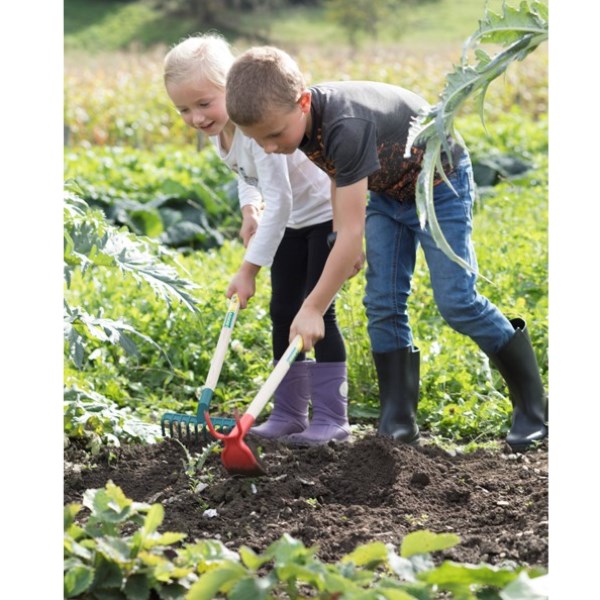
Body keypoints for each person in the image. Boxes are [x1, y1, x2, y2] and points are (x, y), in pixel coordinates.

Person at [224, 45, 548, 452]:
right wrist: (344, 231)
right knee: (383, 303)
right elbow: (340, 180)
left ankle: (534, 408)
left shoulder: (344, 123)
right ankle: (398, 421)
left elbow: (349, 233)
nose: (269, 148)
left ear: (303, 102)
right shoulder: (298, 125)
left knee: (457, 301)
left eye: (273, 136)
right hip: (388, 195)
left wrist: (312, 306)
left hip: (438, 185)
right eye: (259, 140)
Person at [163, 34, 352, 445]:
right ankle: (289, 412)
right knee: (283, 312)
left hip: (321, 217)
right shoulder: (222, 133)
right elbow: (247, 179)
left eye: (203, 103)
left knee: (317, 314)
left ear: (231, 89)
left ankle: (333, 419)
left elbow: (280, 201)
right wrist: (250, 209)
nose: (196, 117)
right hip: (289, 224)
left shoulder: (254, 131)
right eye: (183, 109)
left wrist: (248, 269)